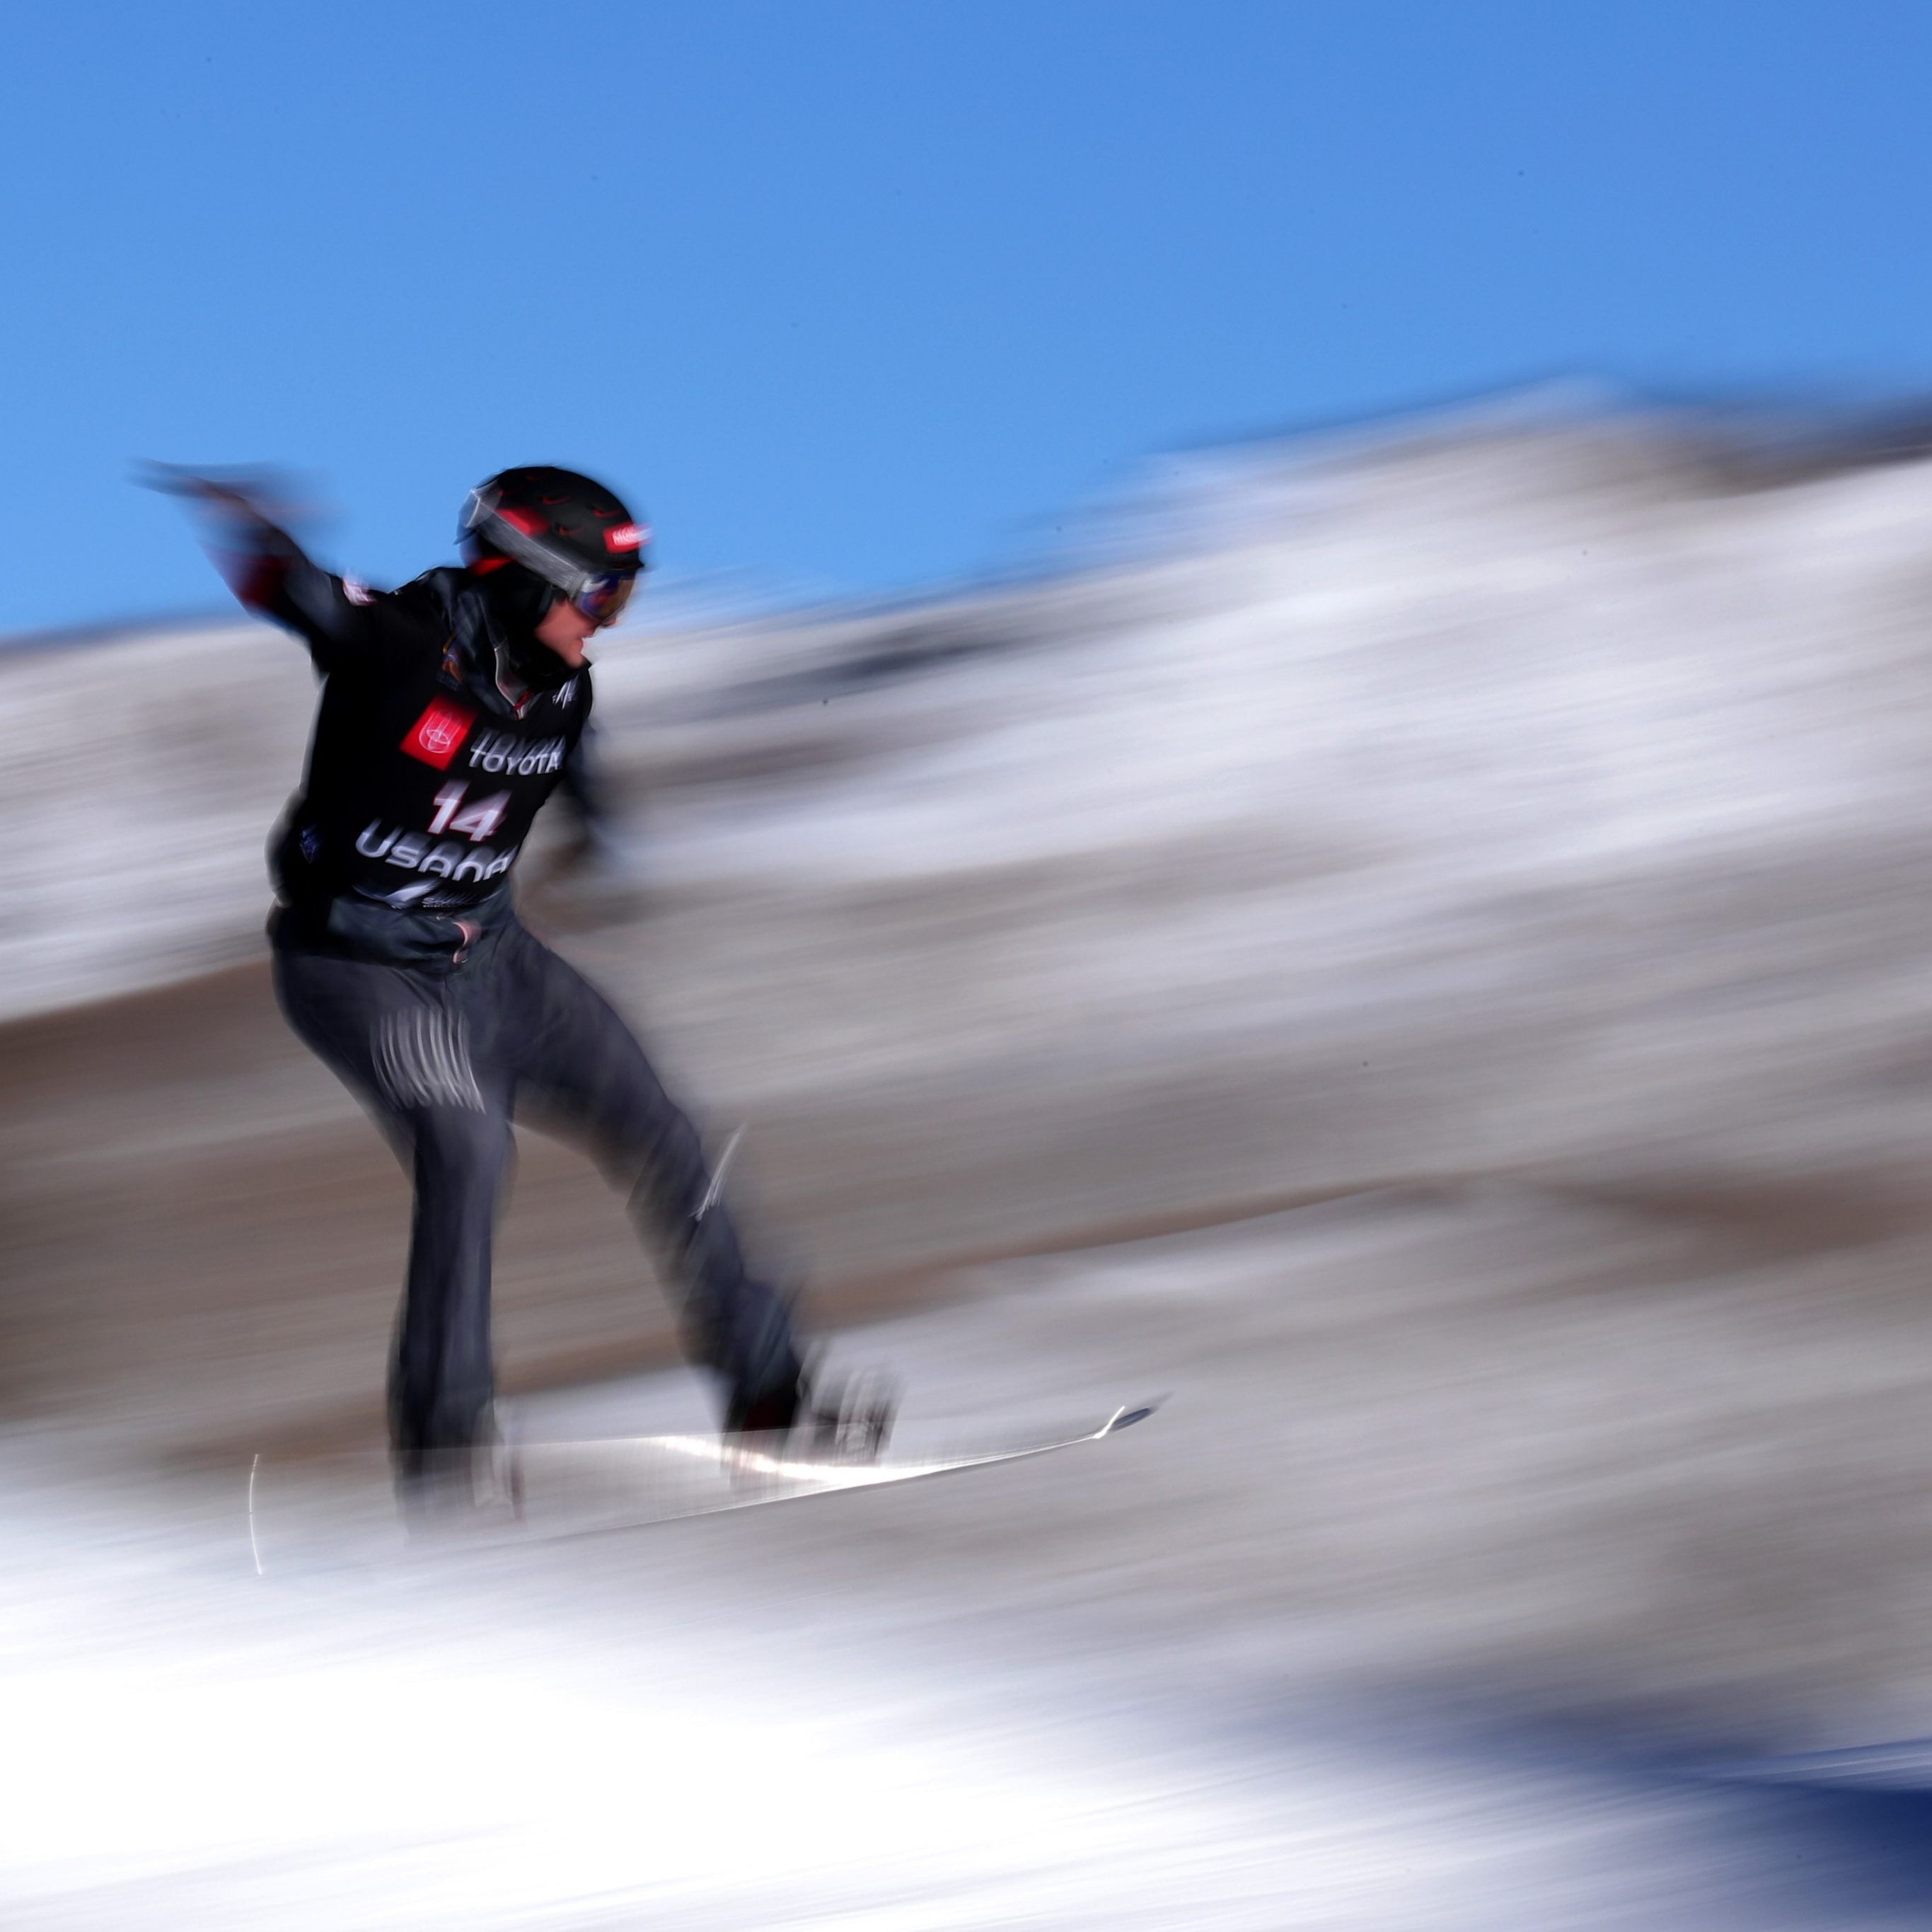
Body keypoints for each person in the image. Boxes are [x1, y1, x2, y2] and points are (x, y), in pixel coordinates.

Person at [158, 464, 814, 1492]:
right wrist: (260, 532)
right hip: (362, 968)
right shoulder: (409, 641)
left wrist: (601, 838)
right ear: (525, 582)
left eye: (624, 597)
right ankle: (445, 1450)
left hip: (494, 959)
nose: (611, 621)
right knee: (469, 1151)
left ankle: (771, 1394)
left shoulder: (566, 683)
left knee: (667, 1132)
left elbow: (574, 757)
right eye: (600, 595)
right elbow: (306, 599)